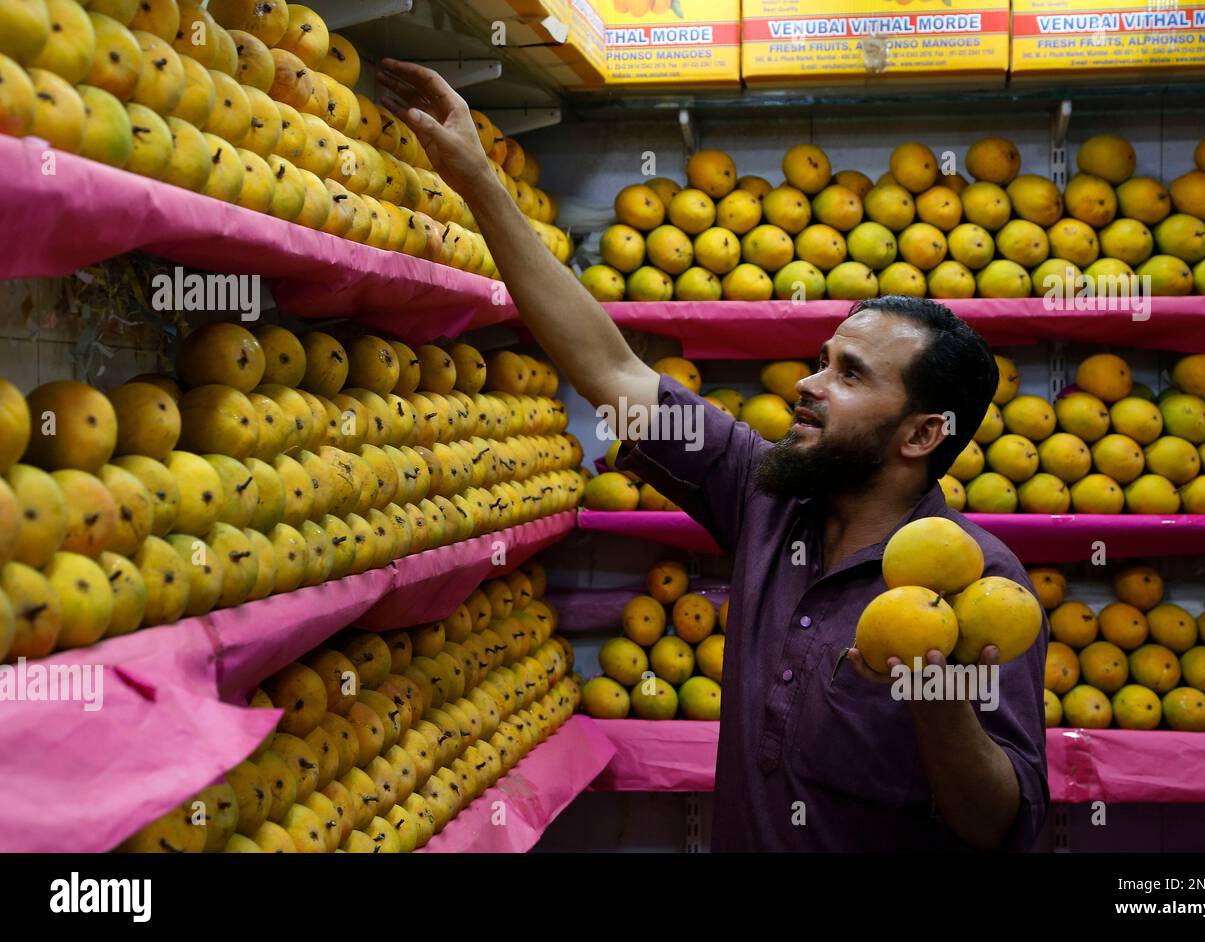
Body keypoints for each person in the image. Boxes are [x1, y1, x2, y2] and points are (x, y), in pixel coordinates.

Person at [376, 60, 1049, 852]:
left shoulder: (980, 585)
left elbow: (1001, 825)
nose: (807, 383)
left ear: (920, 435)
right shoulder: (766, 494)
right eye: (822, 359)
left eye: (849, 374)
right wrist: (478, 178)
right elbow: (612, 370)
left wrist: (939, 700)